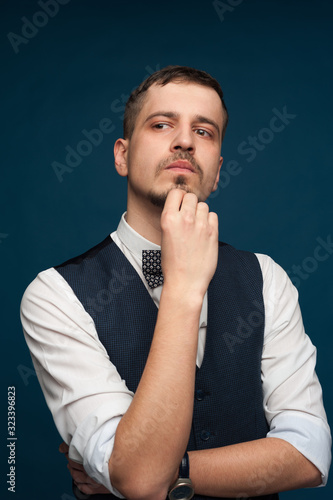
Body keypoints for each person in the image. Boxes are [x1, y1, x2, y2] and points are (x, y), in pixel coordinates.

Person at [21, 65, 331, 500]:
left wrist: (167, 469)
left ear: (217, 170)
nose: (184, 140)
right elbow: (141, 483)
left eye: (204, 131)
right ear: (122, 155)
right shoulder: (54, 295)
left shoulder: (267, 279)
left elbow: (310, 454)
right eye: (162, 124)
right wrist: (184, 287)